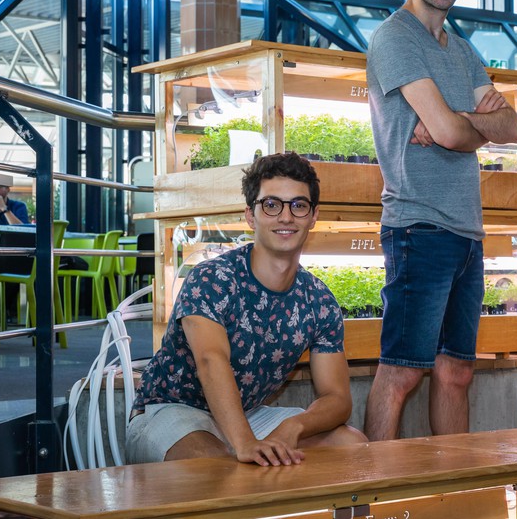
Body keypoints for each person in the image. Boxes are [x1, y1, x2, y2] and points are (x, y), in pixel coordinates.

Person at [364, 0, 517, 441]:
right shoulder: (394, 38)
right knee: (402, 370)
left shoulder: (462, 49)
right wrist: (463, 126)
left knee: (456, 371)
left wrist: (456, 123)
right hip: (418, 227)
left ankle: (455, 491)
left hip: (467, 232)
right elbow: (464, 130)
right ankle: (374, 498)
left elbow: (512, 127)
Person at [126, 152, 366, 466]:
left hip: (248, 414)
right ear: (251, 216)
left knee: (352, 445)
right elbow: (211, 361)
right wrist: (246, 444)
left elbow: (337, 399)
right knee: (219, 467)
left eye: (298, 205)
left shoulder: (319, 301)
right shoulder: (212, 279)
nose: (285, 217)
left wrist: (293, 426)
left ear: (313, 215)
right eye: (271, 205)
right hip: (171, 410)